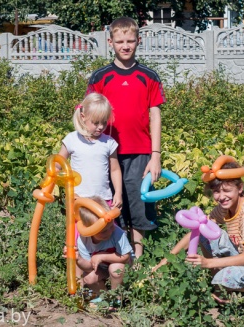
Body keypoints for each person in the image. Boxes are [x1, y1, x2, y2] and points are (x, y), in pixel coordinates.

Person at [154, 160, 244, 318]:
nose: (221, 197)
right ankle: (222, 285)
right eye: (216, 192)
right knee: (204, 233)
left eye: (227, 191)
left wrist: (208, 263)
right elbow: (198, 230)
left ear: (240, 188)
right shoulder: (225, 207)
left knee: (225, 277)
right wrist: (163, 262)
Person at [85, 17, 166, 258]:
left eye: (130, 40)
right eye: (120, 41)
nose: (125, 45)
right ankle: (115, 255)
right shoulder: (100, 77)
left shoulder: (148, 76)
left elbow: (156, 116)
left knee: (139, 204)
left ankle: (138, 259)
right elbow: (87, 111)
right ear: (110, 42)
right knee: (110, 204)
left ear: (139, 41)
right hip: (106, 152)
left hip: (141, 152)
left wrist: (155, 155)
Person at [58, 92, 122, 209]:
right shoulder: (72, 139)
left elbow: (115, 170)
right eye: (96, 122)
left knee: (105, 226)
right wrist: (62, 185)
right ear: (83, 117)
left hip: (103, 199)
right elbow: (58, 163)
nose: (101, 127)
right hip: (77, 198)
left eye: (104, 122)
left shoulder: (109, 142)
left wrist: (118, 193)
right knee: (79, 227)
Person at [76, 196, 133, 301]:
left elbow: (126, 257)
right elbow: (89, 267)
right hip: (102, 270)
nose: (110, 231)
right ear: (90, 230)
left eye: (111, 226)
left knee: (116, 269)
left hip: (123, 268)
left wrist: (101, 256)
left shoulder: (117, 233)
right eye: (103, 231)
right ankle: (106, 298)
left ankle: (117, 298)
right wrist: (79, 260)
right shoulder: (83, 240)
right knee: (89, 278)